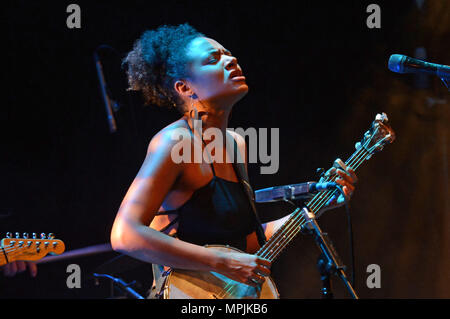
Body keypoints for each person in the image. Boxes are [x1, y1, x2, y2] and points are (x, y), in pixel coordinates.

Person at [110, 23, 357, 291]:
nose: (231, 60)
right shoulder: (173, 142)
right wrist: (219, 262)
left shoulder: (236, 144)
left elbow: (247, 244)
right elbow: (125, 234)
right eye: (214, 59)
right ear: (184, 87)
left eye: (229, 54)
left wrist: (319, 206)